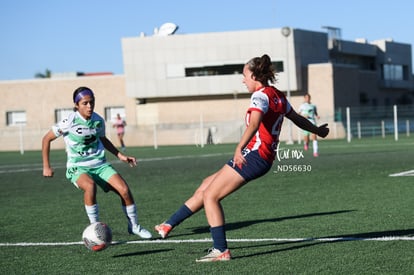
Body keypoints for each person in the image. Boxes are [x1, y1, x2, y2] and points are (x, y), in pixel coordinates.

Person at [154, 54, 329, 262]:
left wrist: (239, 147)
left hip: (254, 155)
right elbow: (298, 118)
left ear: (254, 75)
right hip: (259, 156)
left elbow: (254, 124)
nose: (242, 79)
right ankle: (168, 224)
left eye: (244, 75)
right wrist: (317, 129)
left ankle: (221, 250)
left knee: (211, 196)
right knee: (206, 185)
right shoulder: (277, 95)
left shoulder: (260, 96)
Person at [42, 86, 152, 239]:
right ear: (76, 105)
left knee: (125, 191)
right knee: (90, 186)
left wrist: (120, 155)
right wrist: (47, 166)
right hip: (78, 167)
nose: (89, 106)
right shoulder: (69, 121)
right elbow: (46, 139)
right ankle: (95, 230)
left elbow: (103, 139)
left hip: (100, 165)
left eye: (91, 102)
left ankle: (134, 226)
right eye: (85, 103)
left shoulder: (98, 120)